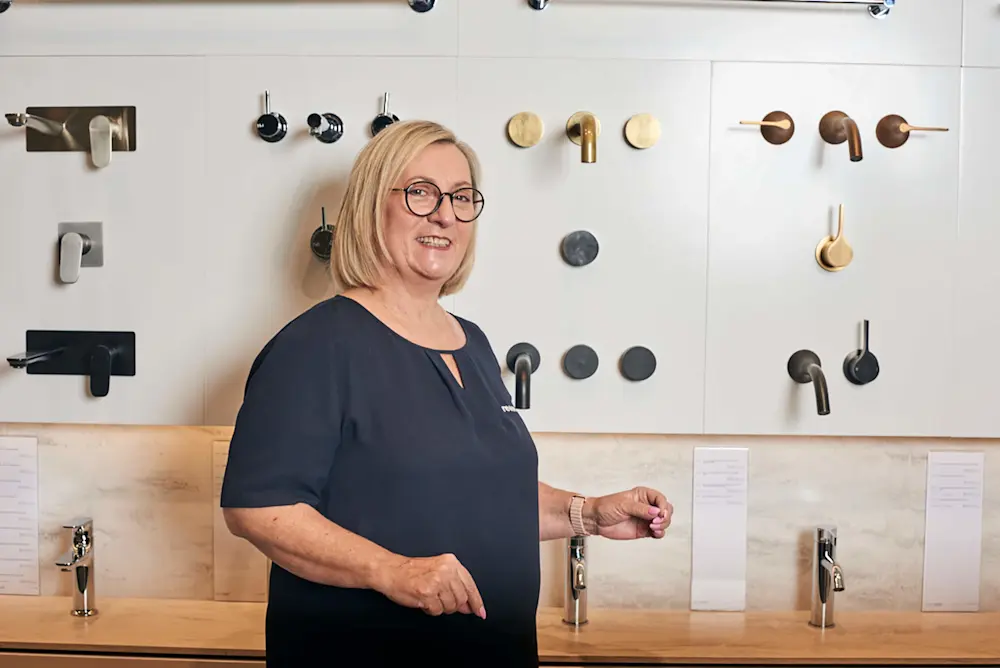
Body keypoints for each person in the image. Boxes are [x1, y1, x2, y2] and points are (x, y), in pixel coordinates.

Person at [219, 119, 674, 667]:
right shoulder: (318, 345)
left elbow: (485, 495)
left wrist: (589, 513)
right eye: (420, 193)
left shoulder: (472, 342)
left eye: (461, 197)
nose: (444, 214)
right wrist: (390, 570)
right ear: (371, 205)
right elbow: (257, 508)